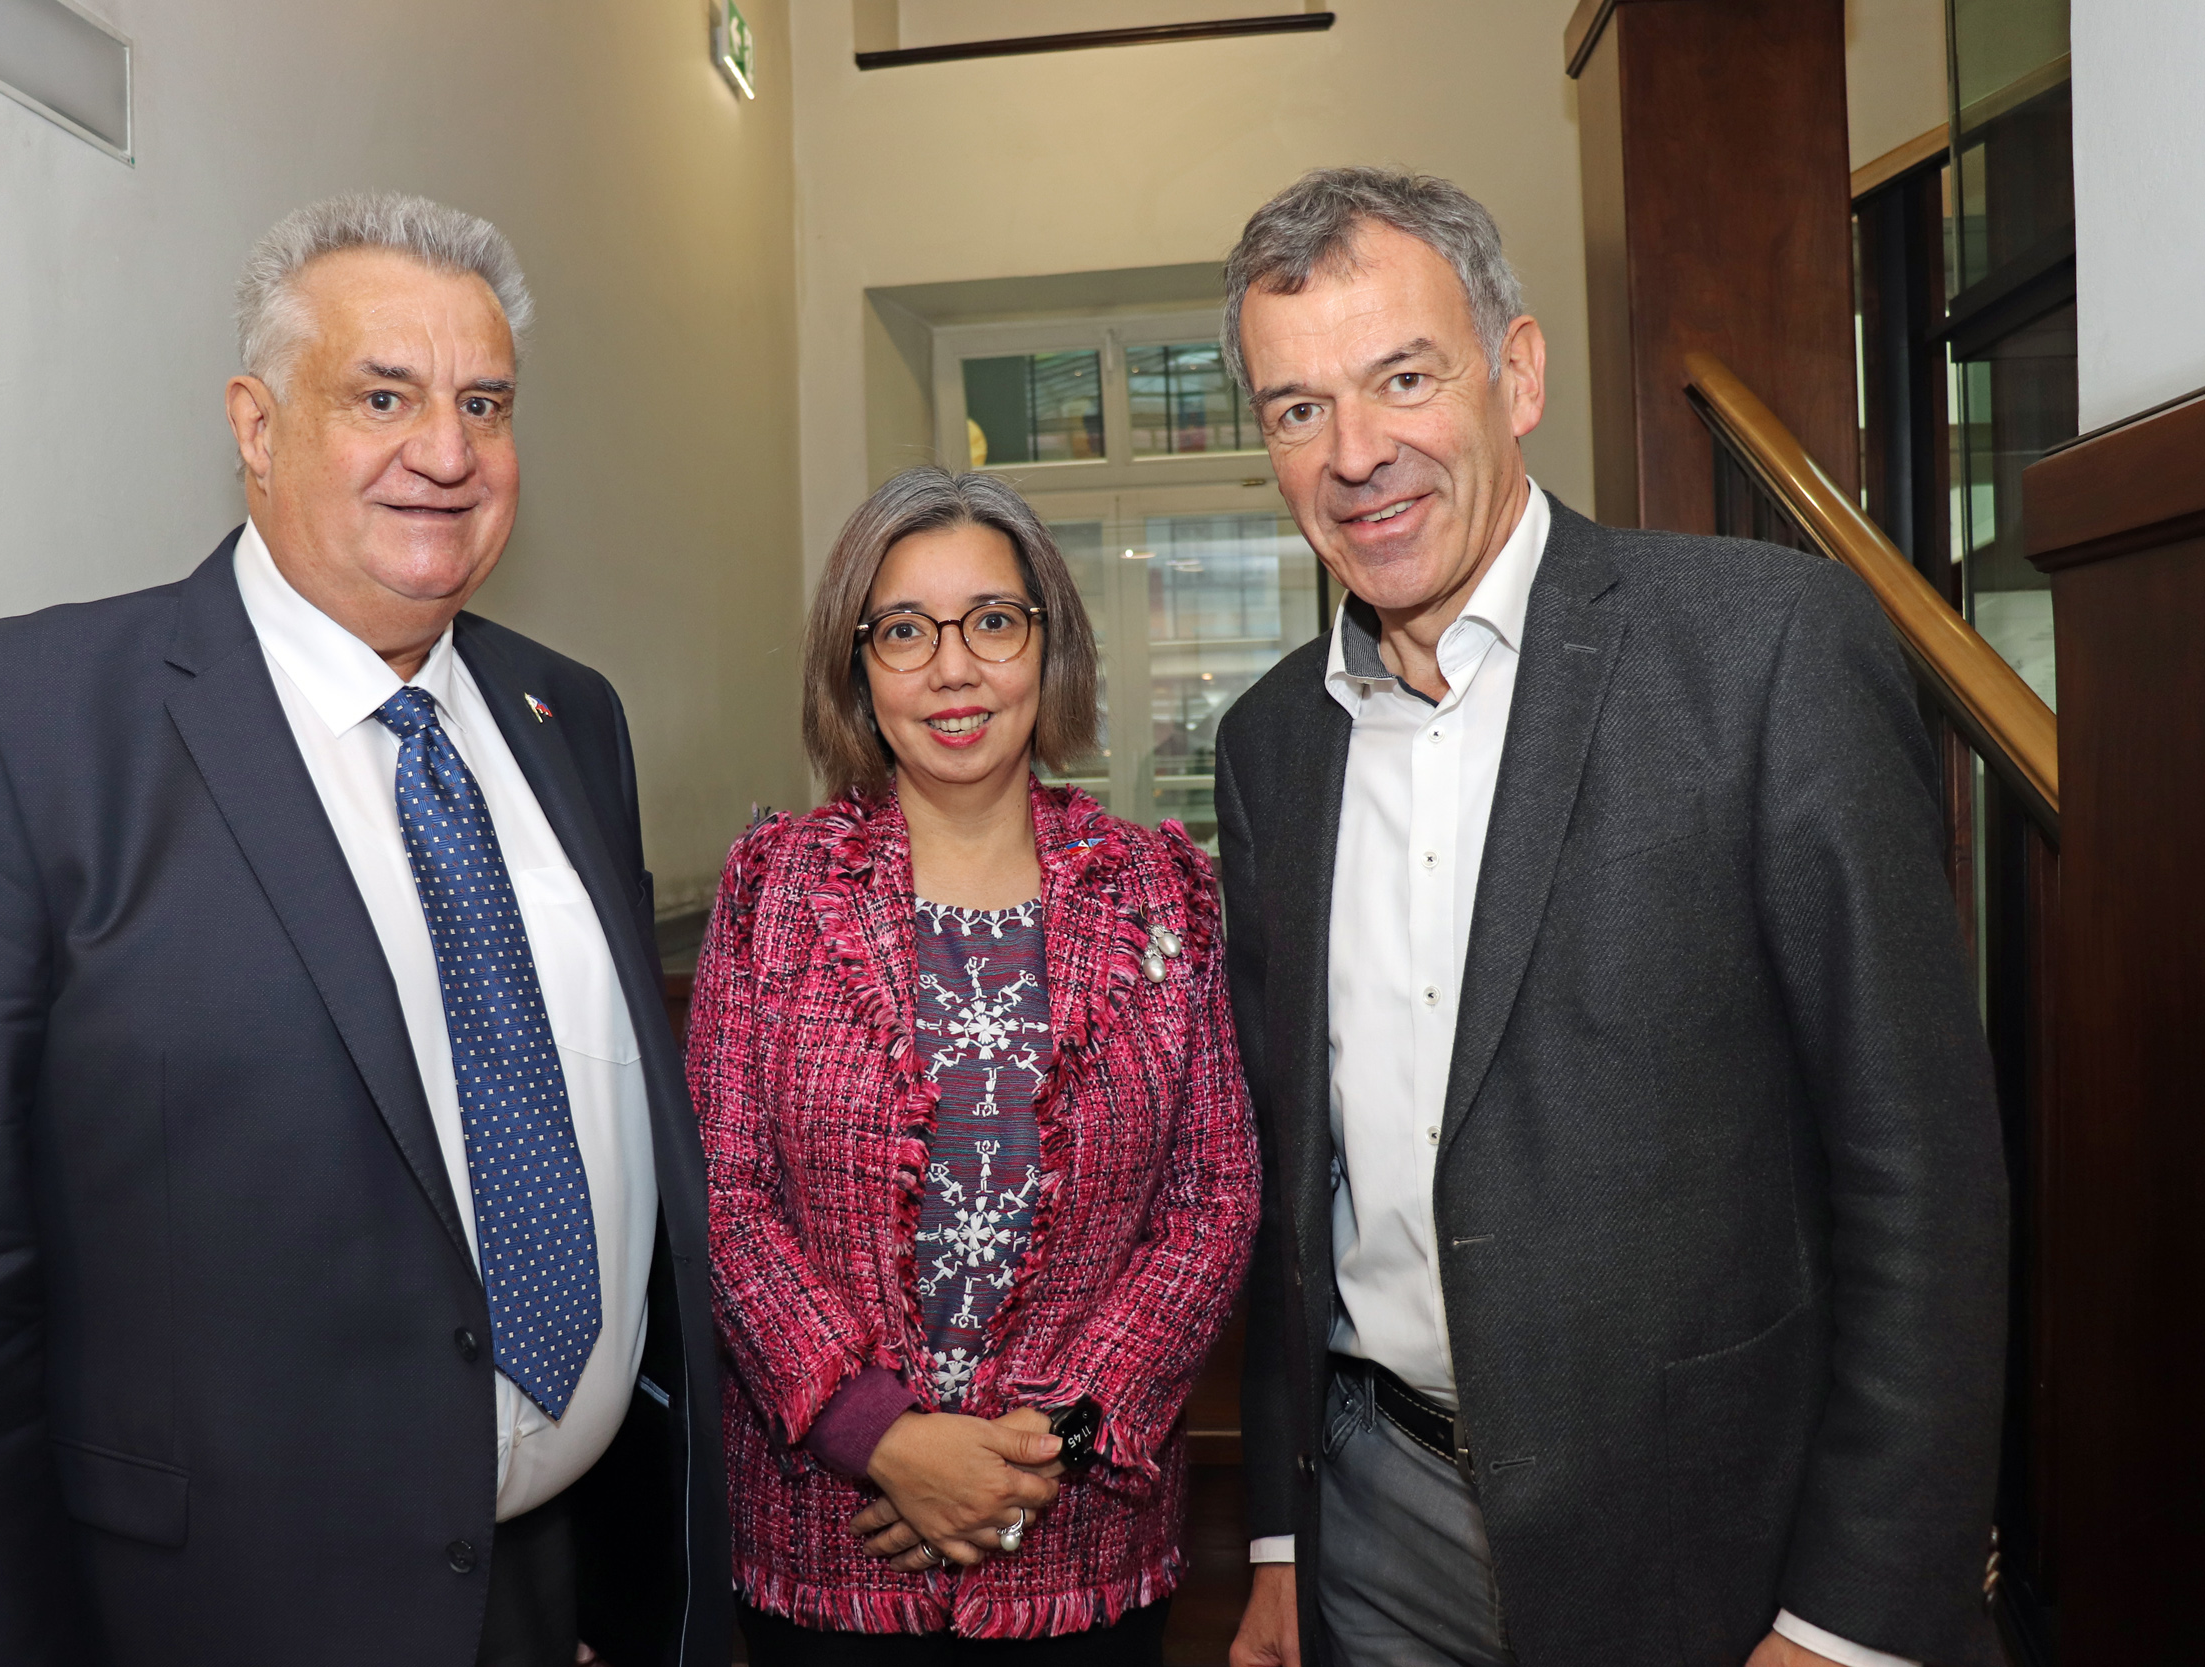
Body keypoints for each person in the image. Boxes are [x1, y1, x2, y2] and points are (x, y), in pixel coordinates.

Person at [0, 194, 727, 1667]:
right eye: (383, 395)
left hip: (562, 1591)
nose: (446, 450)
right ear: (254, 422)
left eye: (483, 402)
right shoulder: (15, 729)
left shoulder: (569, 716)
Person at [1212, 169, 2007, 1667]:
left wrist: (1852, 1615)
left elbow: (1924, 1176)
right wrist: (1276, 1531)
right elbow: (1287, 1172)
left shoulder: (1765, 650)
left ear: (1516, 374)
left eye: (1402, 377)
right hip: (1372, 1516)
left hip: (1706, 1536)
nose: (1357, 452)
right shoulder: (1271, 742)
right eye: (1297, 408)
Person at [690, 468, 1259, 1663]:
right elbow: (723, 1202)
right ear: (856, 667)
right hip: (828, 1545)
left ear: (1048, 648)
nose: (954, 669)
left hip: (1081, 1553)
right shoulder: (771, 891)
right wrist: (881, 1434)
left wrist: (1035, 1443)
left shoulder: (1163, 891)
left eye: (993, 621)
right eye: (904, 630)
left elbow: (1212, 1203)